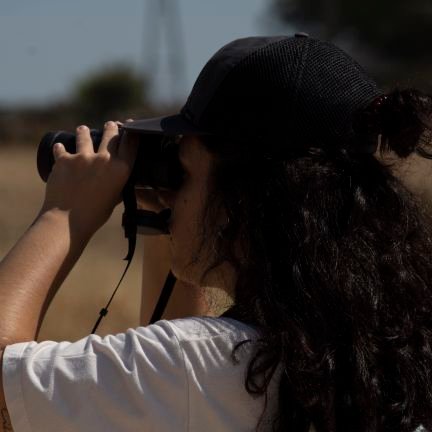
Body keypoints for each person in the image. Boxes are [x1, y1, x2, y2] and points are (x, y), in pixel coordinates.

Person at [0, 34, 431, 432]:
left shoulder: (208, 364)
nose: (171, 194)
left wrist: (63, 214)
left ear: (240, 197)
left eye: (183, 172)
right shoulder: (387, 349)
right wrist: (158, 223)